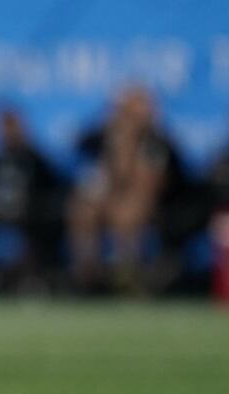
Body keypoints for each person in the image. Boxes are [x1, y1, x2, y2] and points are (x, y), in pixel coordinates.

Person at [66, 86, 187, 294]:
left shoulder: (156, 140)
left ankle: (127, 276)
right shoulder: (106, 134)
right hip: (113, 195)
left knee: (127, 214)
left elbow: (149, 183)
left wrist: (127, 150)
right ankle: (87, 275)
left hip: (158, 203)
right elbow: (81, 148)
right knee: (83, 212)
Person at [0, 107, 64, 295]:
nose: (5, 133)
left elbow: (53, 190)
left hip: (30, 212)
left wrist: (27, 203)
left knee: (33, 223)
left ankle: (30, 278)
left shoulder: (35, 158)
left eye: (10, 126)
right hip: (0, 210)